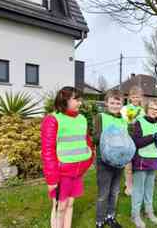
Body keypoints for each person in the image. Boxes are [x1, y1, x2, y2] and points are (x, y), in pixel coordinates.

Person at [41, 86, 94, 228]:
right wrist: (52, 179)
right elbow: (48, 151)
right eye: (76, 99)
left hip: (77, 172)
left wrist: (89, 159)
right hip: (61, 173)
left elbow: (87, 142)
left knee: (70, 204)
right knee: (60, 207)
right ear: (65, 100)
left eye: (80, 99)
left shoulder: (82, 118)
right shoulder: (52, 120)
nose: (80, 103)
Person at [130, 99, 157, 228]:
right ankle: (135, 215)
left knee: (149, 188)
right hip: (141, 160)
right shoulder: (139, 122)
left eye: (156, 109)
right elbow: (137, 142)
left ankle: (148, 211)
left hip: (154, 160)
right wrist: (152, 137)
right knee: (138, 189)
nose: (154, 111)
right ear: (147, 109)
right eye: (151, 108)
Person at [94, 90, 128, 228]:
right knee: (103, 193)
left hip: (119, 161)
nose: (115, 105)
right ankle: (100, 220)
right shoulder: (101, 117)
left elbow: (127, 139)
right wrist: (110, 135)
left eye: (118, 103)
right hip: (104, 161)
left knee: (115, 191)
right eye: (112, 102)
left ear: (122, 104)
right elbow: (95, 138)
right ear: (106, 103)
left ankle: (110, 216)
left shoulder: (124, 120)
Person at [121, 86, 145, 196]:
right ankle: (128, 185)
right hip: (128, 138)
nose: (135, 99)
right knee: (128, 164)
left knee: (137, 162)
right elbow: (129, 121)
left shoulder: (143, 110)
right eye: (133, 97)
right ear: (130, 97)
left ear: (141, 98)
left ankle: (136, 183)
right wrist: (135, 116)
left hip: (139, 139)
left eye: (137, 97)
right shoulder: (126, 108)